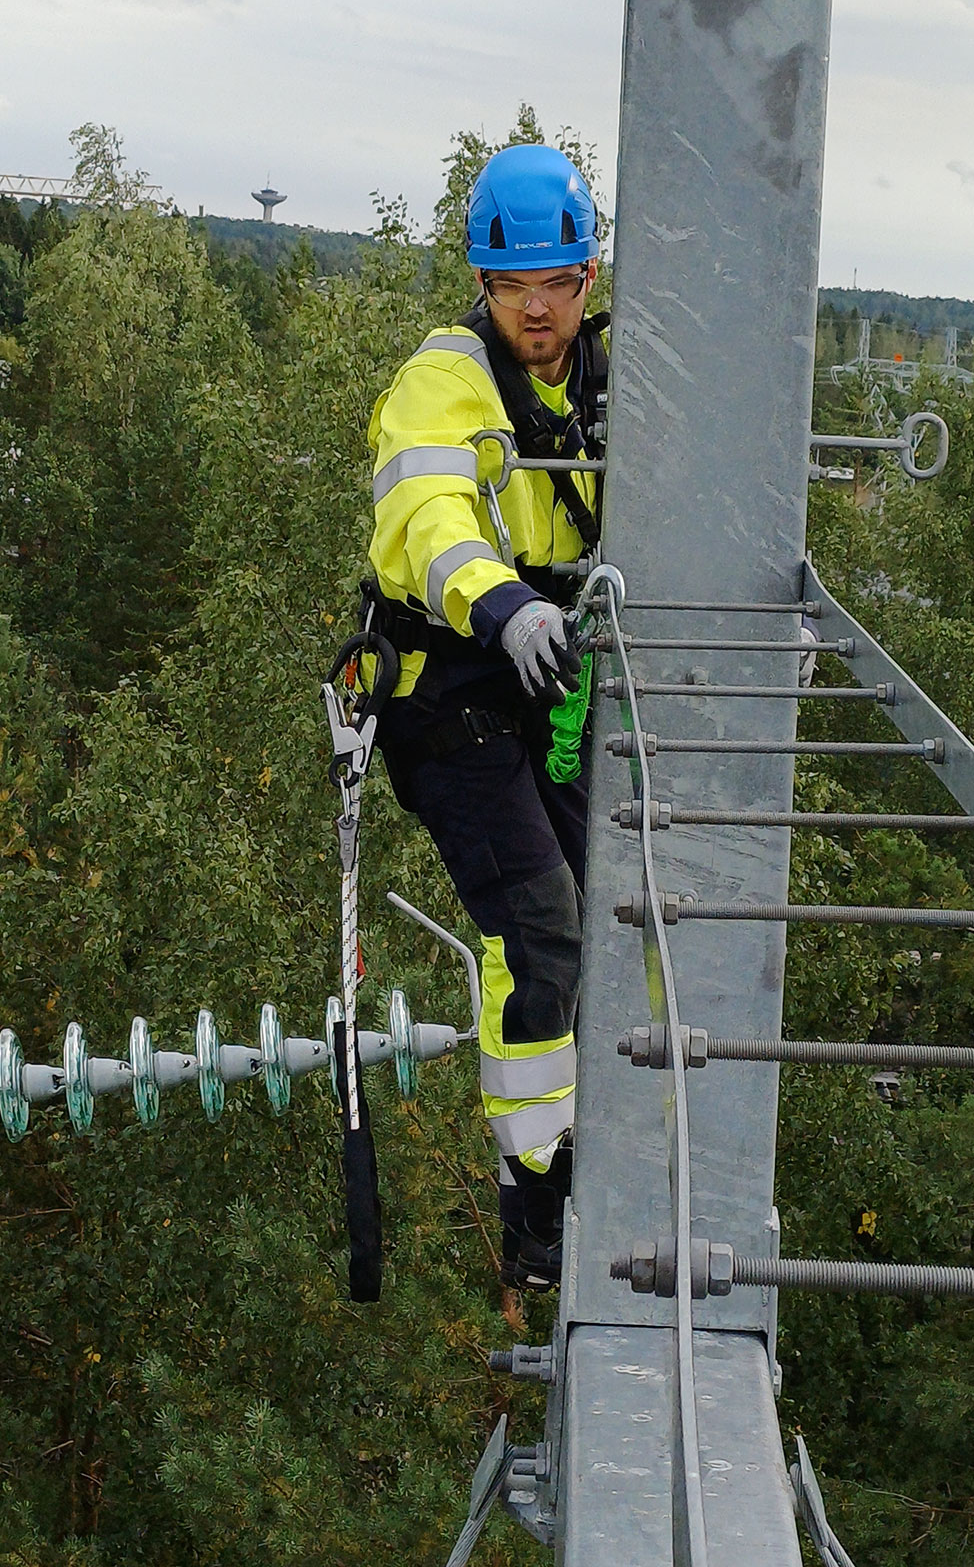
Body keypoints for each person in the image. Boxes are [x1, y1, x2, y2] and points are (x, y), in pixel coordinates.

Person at [364, 142, 607, 1292]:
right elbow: (429, 507)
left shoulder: (599, 385)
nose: (538, 311)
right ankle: (537, 1191)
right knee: (541, 925)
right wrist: (499, 602)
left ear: (587, 280)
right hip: (451, 686)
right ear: (485, 284)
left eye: (556, 286)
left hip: (545, 678)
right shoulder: (447, 377)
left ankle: (586, 1137)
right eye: (517, 289)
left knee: (599, 909)